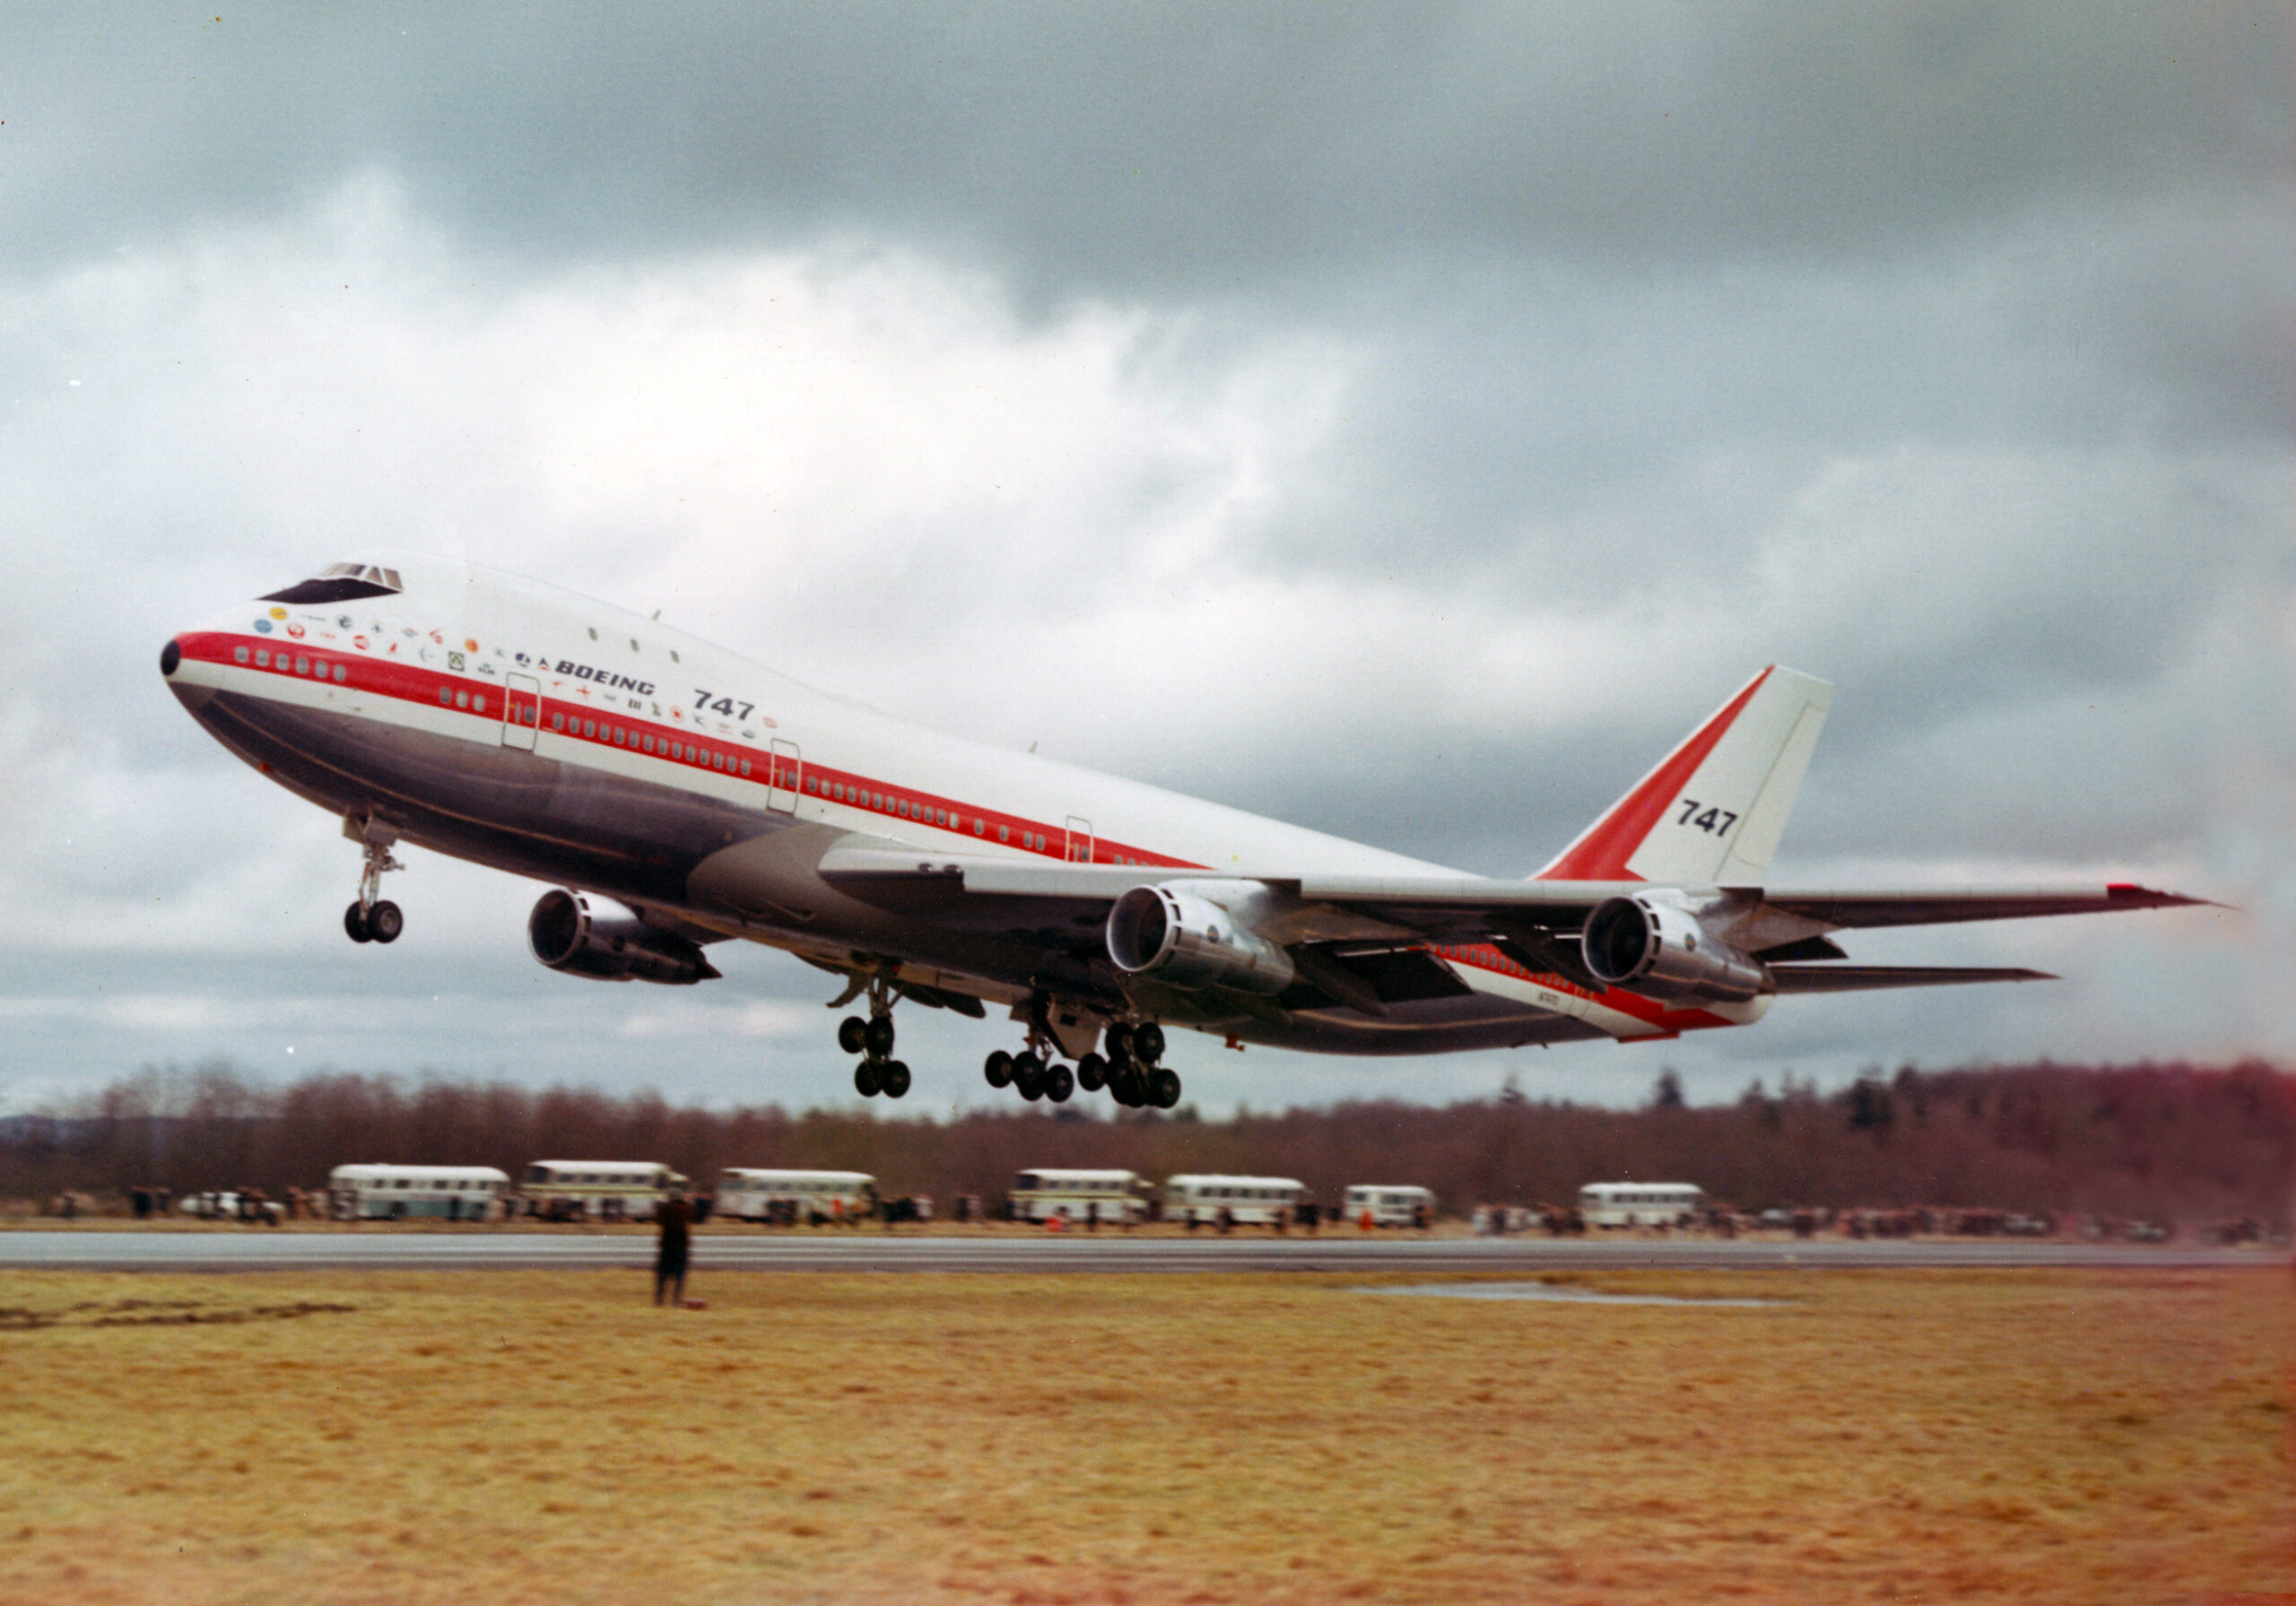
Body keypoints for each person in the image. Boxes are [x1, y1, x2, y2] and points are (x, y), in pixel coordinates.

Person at [654, 1188, 693, 1307]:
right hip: (682, 1247)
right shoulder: (687, 1209)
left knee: (662, 1275)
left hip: (667, 1246)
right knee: (680, 1275)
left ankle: (659, 1300)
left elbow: (658, 1220)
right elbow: (692, 1212)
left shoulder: (665, 1209)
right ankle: (676, 1300)